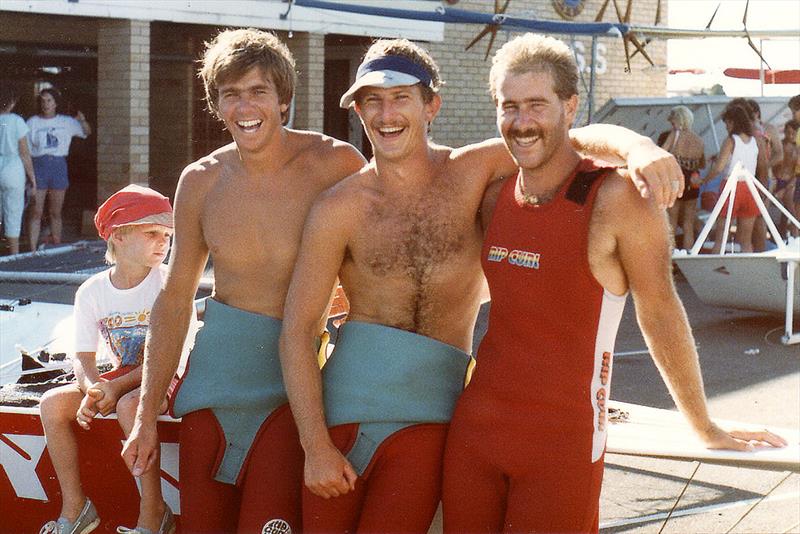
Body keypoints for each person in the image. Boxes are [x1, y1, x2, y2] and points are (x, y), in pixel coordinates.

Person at [278, 38, 683, 533]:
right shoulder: (337, 208)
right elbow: (298, 330)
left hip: (436, 417)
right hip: (346, 411)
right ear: (359, 111)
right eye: (371, 102)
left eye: (401, 97)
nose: (386, 115)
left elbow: (565, 134)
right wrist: (315, 444)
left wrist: (637, 146)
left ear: (432, 105)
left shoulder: (474, 170)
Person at [441, 33, 787, 534]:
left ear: (570, 106)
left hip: (562, 444)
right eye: (509, 106)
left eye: (537, 104)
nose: (521, 121)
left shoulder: (617, 198)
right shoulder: (494, 196)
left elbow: (660, 311)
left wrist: (704, 425)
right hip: (475, 435)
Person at [120, 28, 367, 532]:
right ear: (216, 104)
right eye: (231, 94)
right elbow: (174, 300)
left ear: (283, 100)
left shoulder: (334, 163)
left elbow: (379, 261)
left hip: (288, 388)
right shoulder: (201, 179)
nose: (245, 106)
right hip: (212, 384)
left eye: (258, 92)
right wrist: (146, 415)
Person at [38, 185, 176, 534]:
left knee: (132, 406)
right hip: (119, 380)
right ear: (118, 236)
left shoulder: (170, 283)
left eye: (167, 235)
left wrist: (113, 388)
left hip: (168, 376)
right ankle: (76, 506)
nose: (163, 242)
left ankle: (154, 511)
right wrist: (93, 388)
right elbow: (83, 355)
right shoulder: (93, 291)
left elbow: (173, 355)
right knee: (52, 403)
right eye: (152, 233)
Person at [26, 87, 91, 250]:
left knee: (56, 211)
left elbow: (86, 132)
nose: (45, 104)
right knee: (36, 211)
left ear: (56, 103)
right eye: (43, 101)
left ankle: (56, 245)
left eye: (49, 100)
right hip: (39, 165)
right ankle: (33, 249)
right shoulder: (32, 122)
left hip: (58, 166)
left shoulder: (66, 121)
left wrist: (82, 120)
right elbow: (26, 149)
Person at [704, 104, 767, 253]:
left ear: (733, 122)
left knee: (721, 237)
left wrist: (703, 180)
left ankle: (715, 272)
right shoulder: (756, 140)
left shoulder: (731, 140)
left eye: (727, 123)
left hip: (731, 186)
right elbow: (763, 165)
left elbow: (719, 168)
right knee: (746, 240)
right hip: (751, 187)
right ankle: (747, 273)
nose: (726, 127)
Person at [661, 105, 705, 249]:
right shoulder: (699, 140)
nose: (671, 125)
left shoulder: (675, 135)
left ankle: (671, 257)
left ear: (678, 120)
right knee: (688, 223)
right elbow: (702, 164)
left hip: (676, 177)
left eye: (672, 121)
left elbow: (661, 153)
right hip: (693, 179)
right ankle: (688, 256)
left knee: (672, 221)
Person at [0, 84, 36, 255]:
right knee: (13, 211)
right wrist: (33, 178)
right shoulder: (17, 121)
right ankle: (14, 255)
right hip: (13, 169)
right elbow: (24, 153)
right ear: (12, 102)